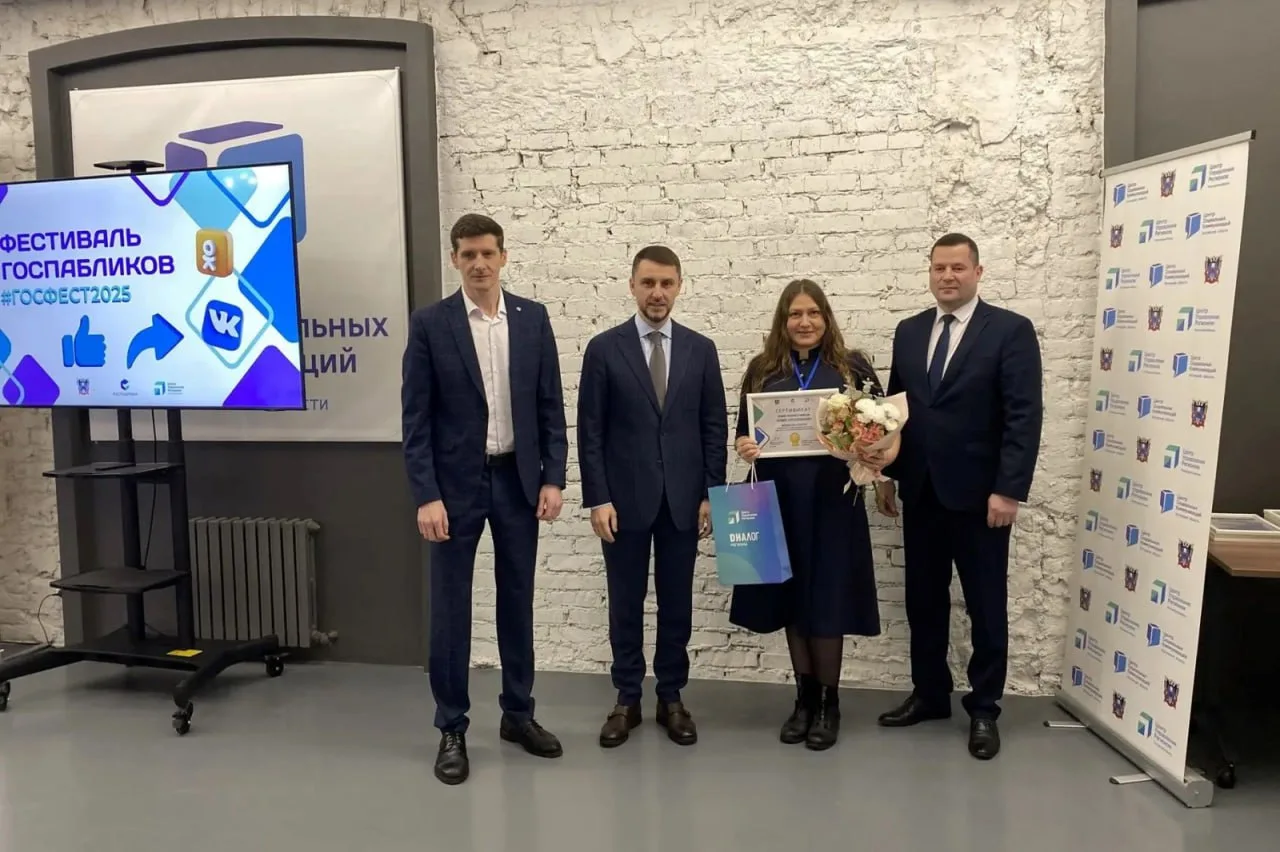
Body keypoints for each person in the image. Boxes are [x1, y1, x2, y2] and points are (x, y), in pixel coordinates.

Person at [400, 213, 569, 785]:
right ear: (455, 259)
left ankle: (518, 714)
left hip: (518, 483)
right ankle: (451, 726)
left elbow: (550, 406)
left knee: (517, 600)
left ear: (503, 257)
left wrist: (553, 478)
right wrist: (426, 494)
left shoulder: (532, 319)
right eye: (468, 254)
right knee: (451, 610)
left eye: (487, 253)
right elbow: (416, 420)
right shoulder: (431, 324)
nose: (479, 264)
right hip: (454, 489)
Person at [873, 232, 1043, 761]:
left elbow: (1024, 415)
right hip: (921, 490)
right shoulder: (909, 331)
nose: (948, 276)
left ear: (977, 272)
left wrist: (1009, 490)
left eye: (958, 268)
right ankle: (930, 693)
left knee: (985, 604)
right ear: (930, 272)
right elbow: (894, 411)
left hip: (981, 498)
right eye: (939, 268)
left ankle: (985, 707)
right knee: (923, 600)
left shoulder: (1010, 331)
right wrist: (886, 473)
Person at [729, 279, 892, 750]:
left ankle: (828, 705)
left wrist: (880, 470)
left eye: (813, 313)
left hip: (834, 501)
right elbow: (743, 432)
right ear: (783, 321)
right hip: (778, 500)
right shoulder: (762, 370)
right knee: (792, 598)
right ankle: (803, 700)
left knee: (827, 599)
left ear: (826, 317)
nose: (804, 322)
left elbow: (884, 431)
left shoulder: (852, 368)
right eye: (795, 314)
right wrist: (745, 446)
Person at [577, 245, 728, 748]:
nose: (657, 293)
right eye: (648, 283)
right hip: (623, 502)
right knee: (625, 602)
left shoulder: (701, 349)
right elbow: (590, 431)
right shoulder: (604, 348)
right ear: (632, 286)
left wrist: (711, 492)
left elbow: (713, 425)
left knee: (676, 603)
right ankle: (626, 698)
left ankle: (671, 697)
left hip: (684, 499)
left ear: (679, 286)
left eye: (666, 283)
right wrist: (598, 498)